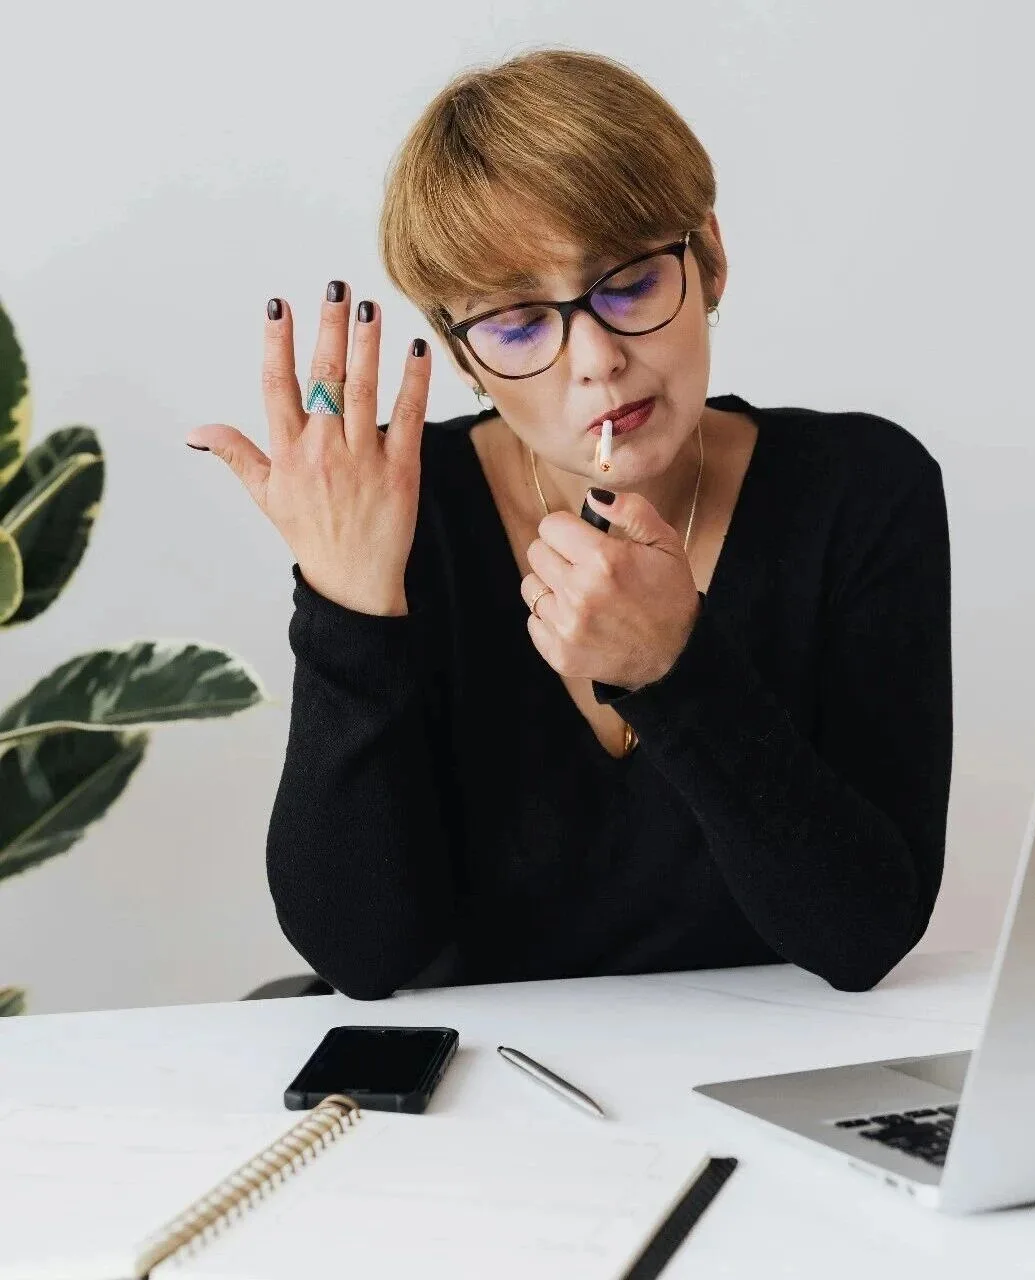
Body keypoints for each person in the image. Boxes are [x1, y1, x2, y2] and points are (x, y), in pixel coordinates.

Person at [185, 48, 953, 1000]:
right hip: (481, 1072)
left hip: (756, 1066)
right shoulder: (401, 507)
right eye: (517, 324)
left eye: (629, 284)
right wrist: (349, 605)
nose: (595, 358)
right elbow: (362, 957)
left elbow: (864, 934)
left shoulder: (862, 488)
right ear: (465, 358)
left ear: (709, 259)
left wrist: (675, 669)